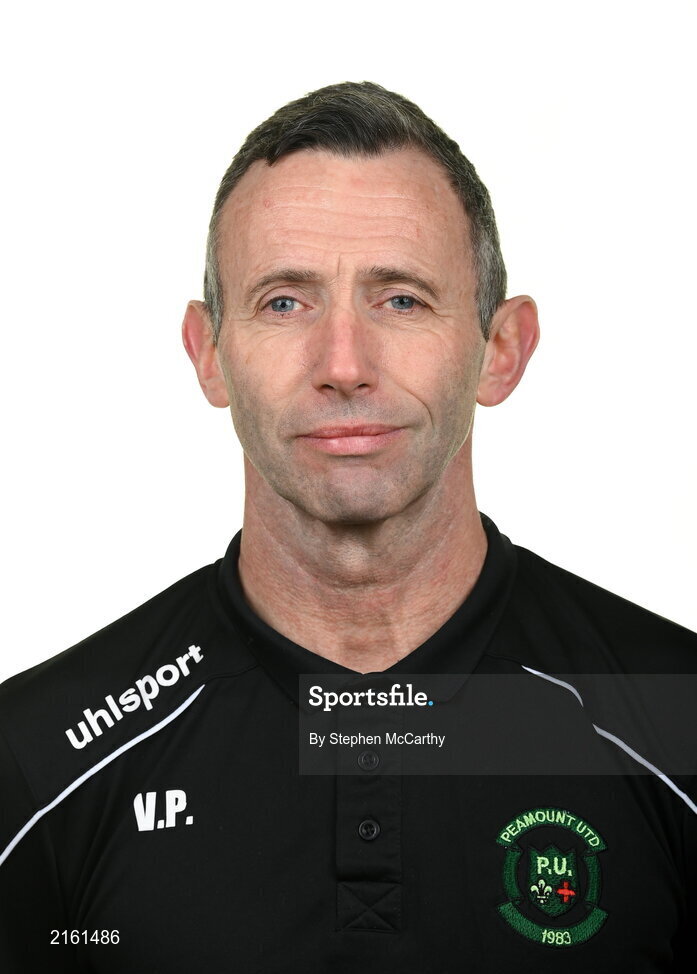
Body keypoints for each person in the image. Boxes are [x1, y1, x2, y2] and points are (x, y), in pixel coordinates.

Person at [1, 80, 695, 973]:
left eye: (400, 299)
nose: (343, 365)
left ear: (500, 348)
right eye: (284, 302)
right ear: (209, 353)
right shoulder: (38, 761)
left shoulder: (676, 724)